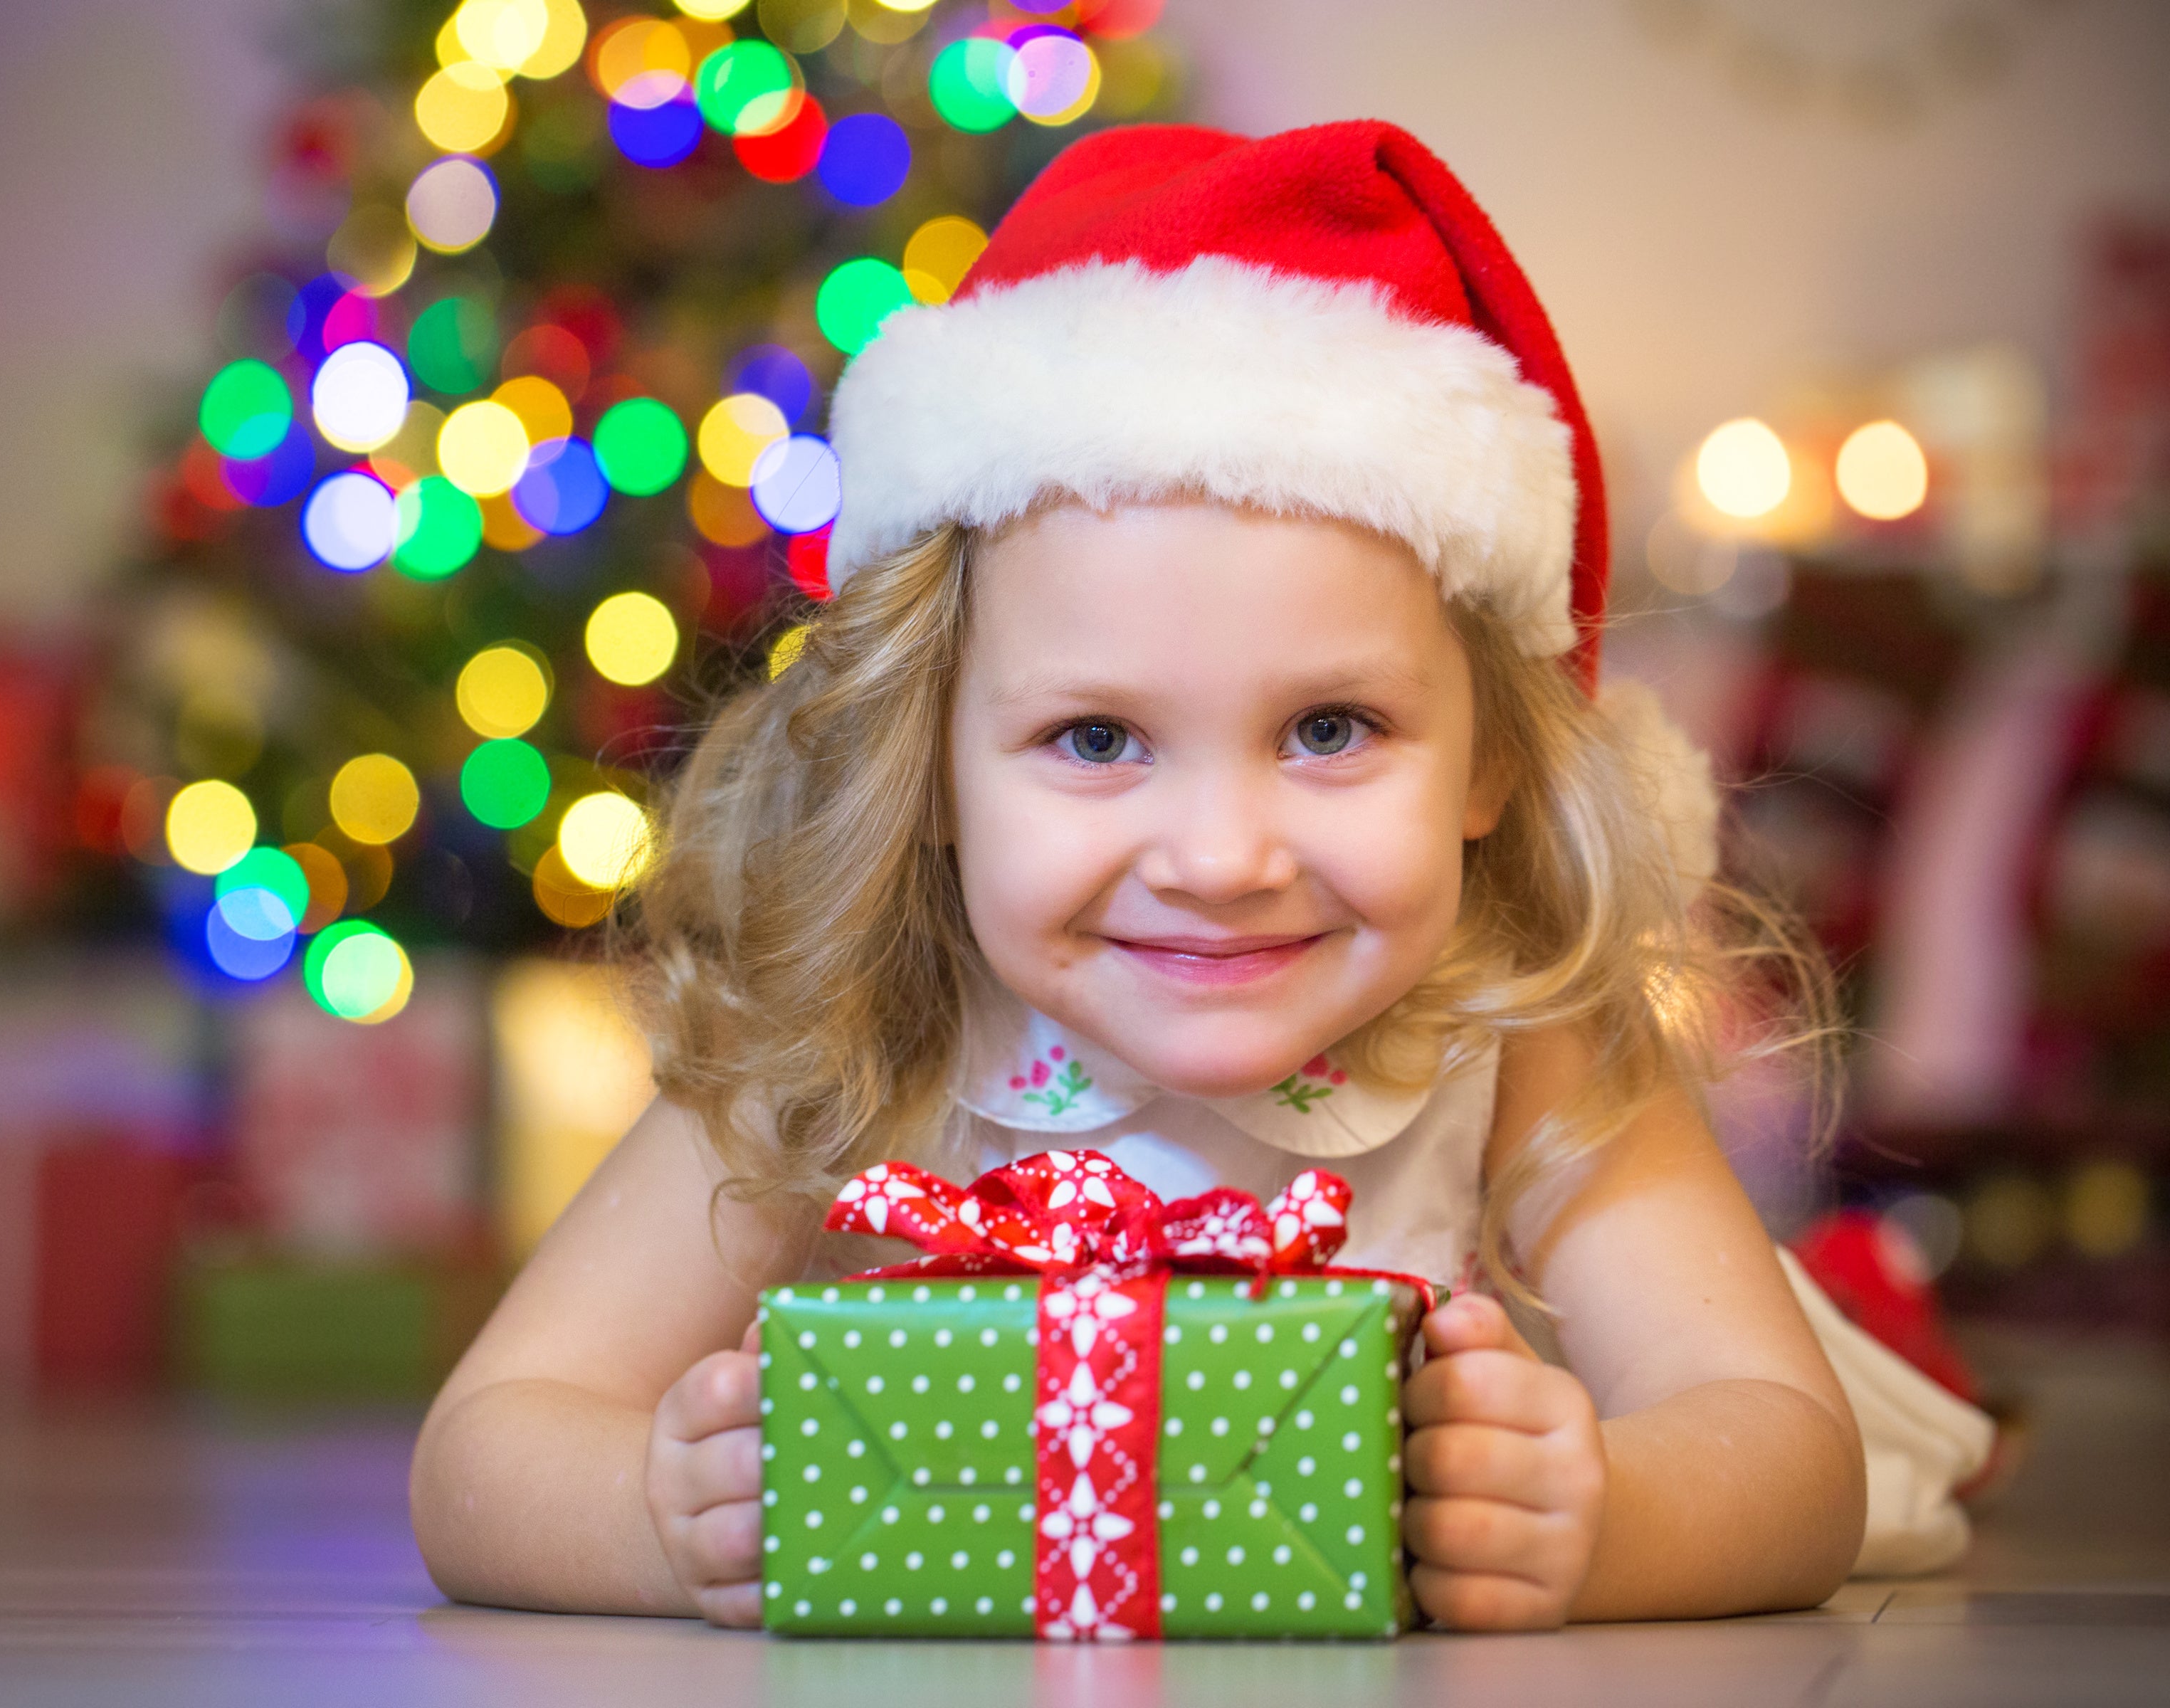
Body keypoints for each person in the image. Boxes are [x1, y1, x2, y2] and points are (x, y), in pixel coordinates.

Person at [411, 120, 1989, 1631]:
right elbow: (485, 1445)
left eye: (1329, 727)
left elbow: (1787, 1454)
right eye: (1097, 740)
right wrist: (656, 1514)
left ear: (1491, 766)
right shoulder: (846, 1046)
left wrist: (1604, 1516)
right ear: (932, 768)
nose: (1223, 860)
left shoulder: (1504, 1045)